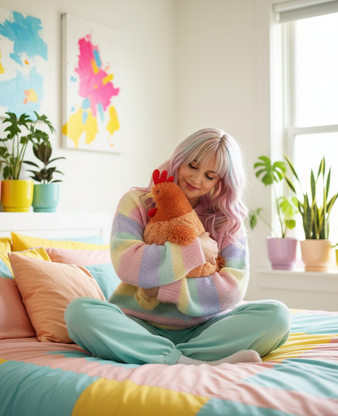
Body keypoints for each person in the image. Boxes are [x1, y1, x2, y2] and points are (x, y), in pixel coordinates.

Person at [65, 127, 291, 366]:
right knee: (79, 313)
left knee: (277, 316)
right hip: (136, 324)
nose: (196, 179)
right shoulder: (136, 203)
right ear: (179, 159)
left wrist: (165, 290)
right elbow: (126, 263)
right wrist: (195, 250)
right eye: (192, 166)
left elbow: (232, 288)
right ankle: (190, 361)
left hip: (204, 329)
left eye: (209, 175)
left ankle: (163, 355)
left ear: (221, 181)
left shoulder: (228, 220)